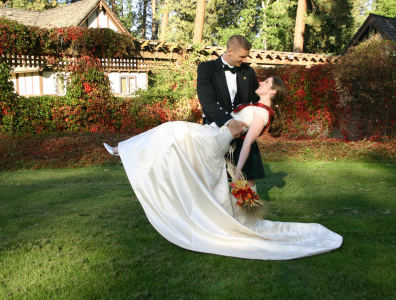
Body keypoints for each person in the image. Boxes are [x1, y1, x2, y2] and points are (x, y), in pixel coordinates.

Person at [104, 76, 342, 260]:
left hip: (214, 140)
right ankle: (124, 152)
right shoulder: (256, 106)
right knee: (170, 134)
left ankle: (122, 151)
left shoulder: (261, 113)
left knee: (170, 130)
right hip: (212, 134)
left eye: (266, 82)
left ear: (272, 91)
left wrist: (238, 171)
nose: (260, 82)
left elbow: (248, 142)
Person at [197, 35, 263, 191]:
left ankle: (249, 213)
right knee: (215, 175)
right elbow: (207, 100)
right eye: (242, 56)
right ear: (230, 51)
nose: (244, 60)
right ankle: (217, 212)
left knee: (246, 175)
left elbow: (255, 100)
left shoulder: (248, 72)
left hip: (243, 131)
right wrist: (229, 121)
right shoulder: (207, 68)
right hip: (216, 129)